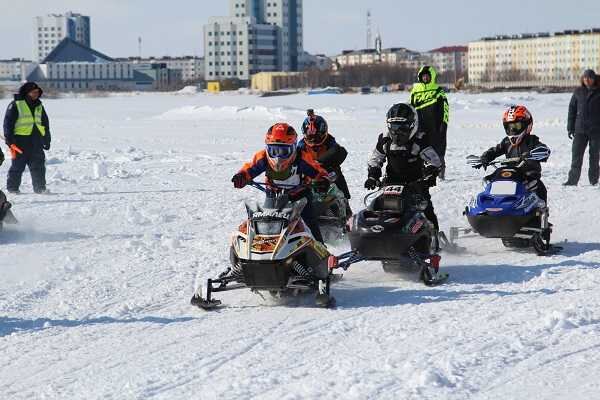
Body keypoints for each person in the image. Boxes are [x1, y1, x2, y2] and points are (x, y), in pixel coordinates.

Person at [231, 122, 330, 243]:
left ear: (293, 148)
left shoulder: (301, 158)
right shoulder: (263, 157)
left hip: (300, 194)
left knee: (309, 223)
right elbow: (250, 168)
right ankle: (264, 249)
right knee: (266, 223)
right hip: (273, 193)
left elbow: (318, 171)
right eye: (274, 150)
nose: (278, 157)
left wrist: (323, 181)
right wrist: (241, 177)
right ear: (267, 148)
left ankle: (321, 249)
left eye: (284, 151)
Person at [364, 103, 442, 231]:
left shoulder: (419, 140)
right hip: (390, 183)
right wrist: (372, 176)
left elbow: (434, 161)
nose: (397, 131)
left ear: (412, 125)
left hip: (415, 184)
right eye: (394, 126)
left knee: (426, 211)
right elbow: (376, 158)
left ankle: (434, 238)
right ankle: (375, 233)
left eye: (402, 127)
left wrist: (430, 174)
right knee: (375, 207)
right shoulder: (385, 140)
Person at [478, 105, 551, 203]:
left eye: (516, 126)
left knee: (540, 187)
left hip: (528, 176)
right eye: (510, 126)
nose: (512, 130)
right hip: (510, 175)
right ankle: (489, 205)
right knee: (488, 179)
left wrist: (533, 154)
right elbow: (496, 150)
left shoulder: (532, 141)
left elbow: (544, 150)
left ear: (527, 125)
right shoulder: (506, 142)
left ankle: (541, 211)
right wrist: (486, 156)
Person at [298, 109, 351, 212]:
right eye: (310, 137)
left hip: (328, 172)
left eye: (316, 137)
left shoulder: (331, 143)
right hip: (308, 175)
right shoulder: (301, 146)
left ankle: (345, 206)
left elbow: (340, 152)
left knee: (336, 176)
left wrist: (320, 163)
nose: (313, 140)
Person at [3, 81, 51, 194]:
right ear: (26, 92)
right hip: (20, 141)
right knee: (17, 167)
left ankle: (40, 189)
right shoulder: (16, 104)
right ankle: (13, 189)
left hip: (36, 140)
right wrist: (10, 140)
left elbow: (45, 124)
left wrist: (47, 139)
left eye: (37, 92)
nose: (36, 94)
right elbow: (7, 124)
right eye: (33, 92)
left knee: (38, 166)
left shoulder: (39, 105)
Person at [410, 65, 449, 179]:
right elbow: (411, 108)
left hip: (436, 126)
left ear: (432, 77)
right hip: (420, 127)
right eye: (423, 76)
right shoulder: (415, 91)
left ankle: (440, 173)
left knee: (438, 149)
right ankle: (422, 173)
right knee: (419, 149)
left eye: (427, 76)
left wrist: (444, 123)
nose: (425, 78)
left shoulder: (438, 91)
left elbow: (445, 108)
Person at [564, 69, 600, 186]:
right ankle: (572, 181)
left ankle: (593, 181)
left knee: (594, 157)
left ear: (594, 79)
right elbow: (572, 110)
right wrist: (570, 128)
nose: (587, 80)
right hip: (580, 130)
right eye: (585, 78)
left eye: (589, 77)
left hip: (596, 131)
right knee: (576, 157)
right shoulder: (578, 92)